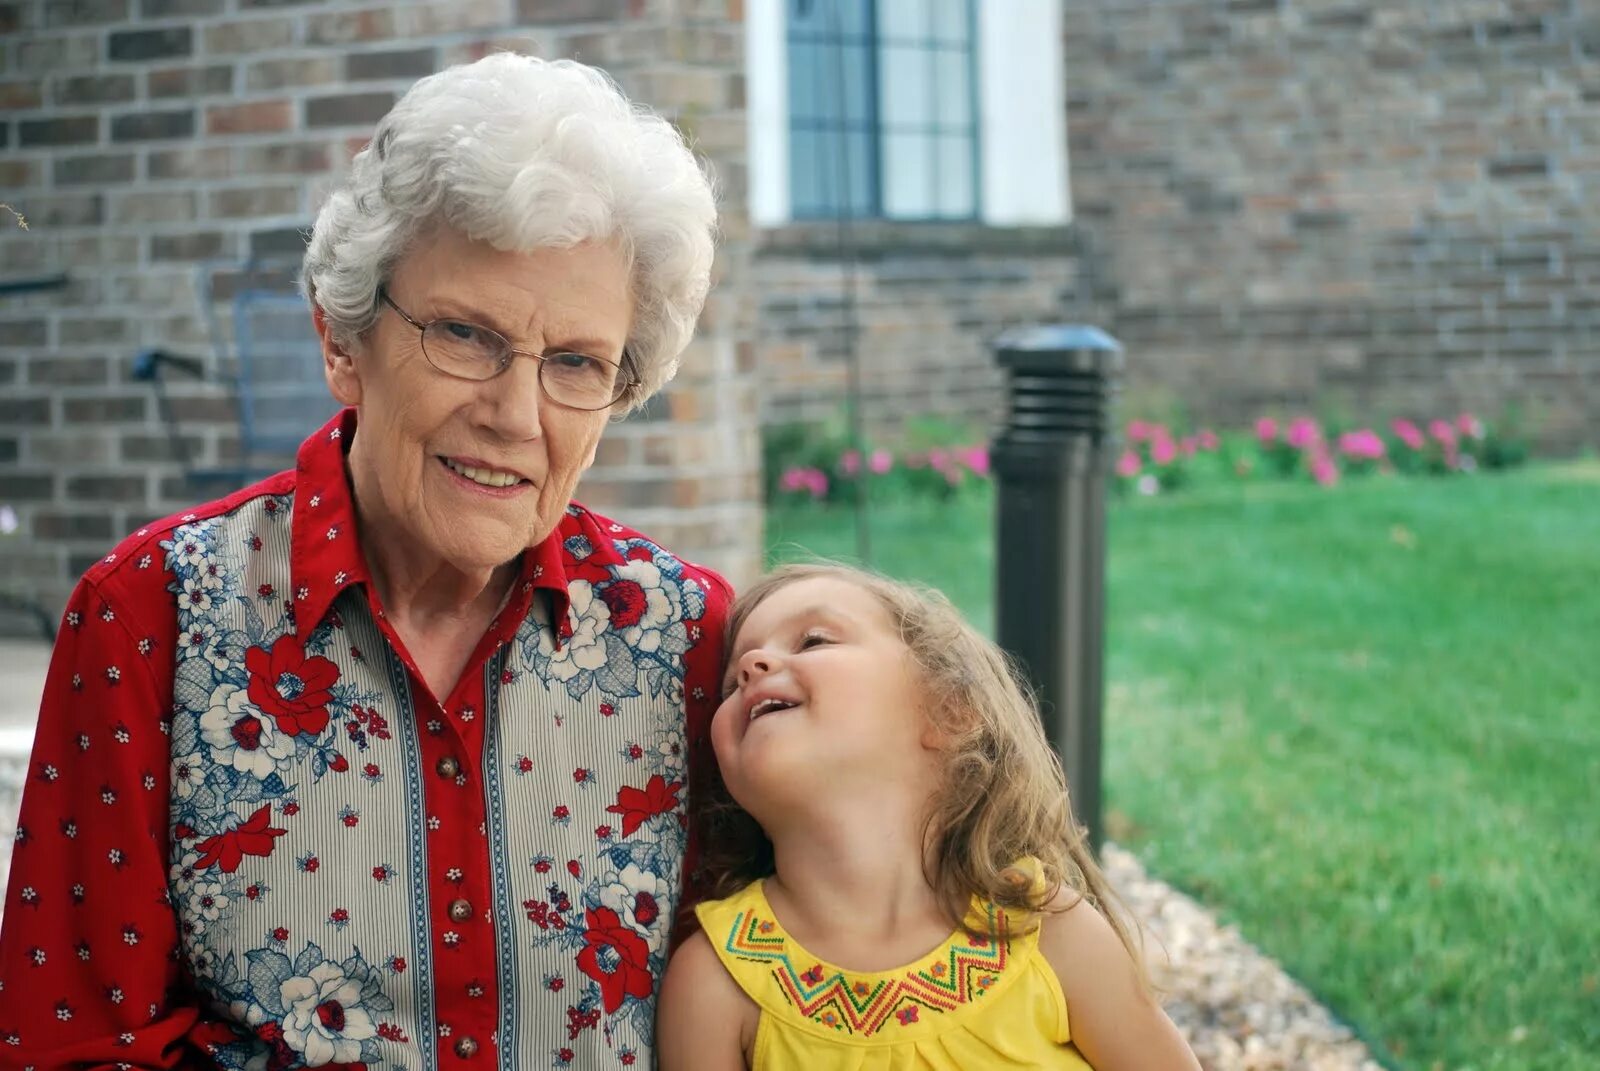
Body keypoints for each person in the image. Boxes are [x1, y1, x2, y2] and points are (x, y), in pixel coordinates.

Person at [0, 54, 728, 1068]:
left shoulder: (692, 644)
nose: (515, 417)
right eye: (464, 336)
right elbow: (73, 1041)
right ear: (344, 340)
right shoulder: (146, 619)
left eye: (575, 364)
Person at [657, 563, 1201, 1070]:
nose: (754, 665)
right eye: (731, 683)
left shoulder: (1044, 927)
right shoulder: (714, 984)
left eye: (813, 640)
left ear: (948, 711)